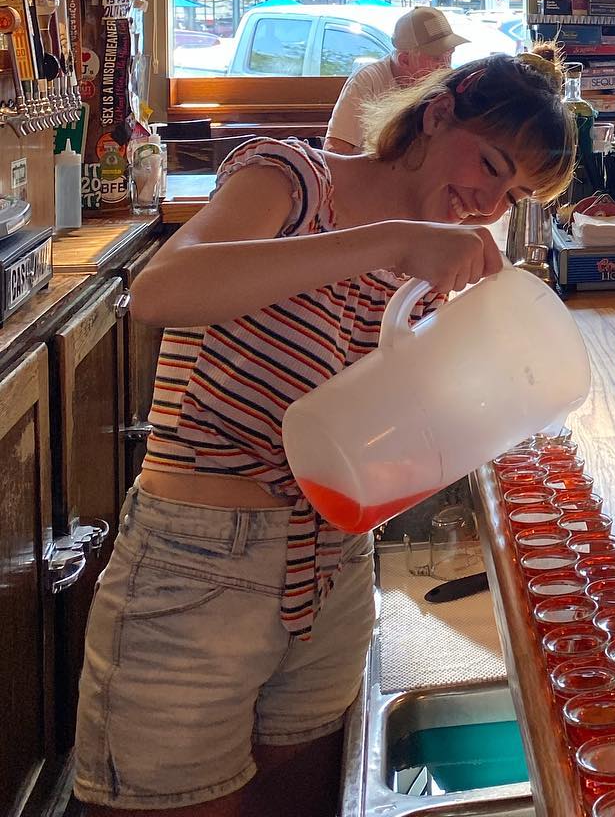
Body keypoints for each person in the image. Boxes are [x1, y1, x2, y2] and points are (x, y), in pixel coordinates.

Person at [73, 50, 575, 817]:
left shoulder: (433, 268)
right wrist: (393, 240)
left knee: (306, 800)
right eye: (490, 165)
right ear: (436, 113)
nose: (488, 202)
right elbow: (162, 290)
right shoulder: (294, 178)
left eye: (511, 194)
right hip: (196, 567)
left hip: (333, 566)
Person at [324, 5, 465, 154]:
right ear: (404, 60)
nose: (446, 67)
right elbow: (335, 150)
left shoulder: (447, 86)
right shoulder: (368, 80)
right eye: (436, 58)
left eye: (449, 55)